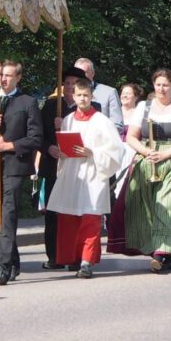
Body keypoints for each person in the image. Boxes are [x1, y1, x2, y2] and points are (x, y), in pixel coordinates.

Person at [45, 79, 125, 278]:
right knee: (70, 218)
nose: (82, 99)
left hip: (93, 174)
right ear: (73, 96)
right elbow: (65, 144)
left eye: (86, 95)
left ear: (92, 97)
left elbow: (115, 150)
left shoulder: (102, 121)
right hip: (72, 174)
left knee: (90, 218)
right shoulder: (68, 120)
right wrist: (62, 153)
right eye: (78, 95)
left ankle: (87, 262)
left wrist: (92, 152)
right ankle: (73, 258)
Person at [0, 60, 42, 285]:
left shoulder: (27, 102)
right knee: (0, 216)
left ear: (18, 77)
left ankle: (2, 266)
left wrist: (9, 146)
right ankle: (14, 262)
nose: (4, 79)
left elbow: (35, 138)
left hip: (15, 165)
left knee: (9, 212)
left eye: (9, 75)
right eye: (1, 75)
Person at [123, 69, 171, 273]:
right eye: (158, 85)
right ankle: (165, 254)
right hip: (147, 159)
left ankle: (161, 253)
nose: (162, 89)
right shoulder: (143, 107)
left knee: (167, 204)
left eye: (166, 85)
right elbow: (131, 136)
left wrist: (166, 154)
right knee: (146, 206)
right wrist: (146, 152)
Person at [37, 66, 99, 270]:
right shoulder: (50, 106)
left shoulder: (93, 108)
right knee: (53, 212)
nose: (70, 87)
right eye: (67, 84)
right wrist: (49, 148)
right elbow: (38, 136)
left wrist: (64, 123)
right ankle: (54, 256)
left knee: (77, 213)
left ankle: (76, 255)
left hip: (81, 169)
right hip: (54, 166)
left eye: (74, 84)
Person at [74, 58, 123, 131]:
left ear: (93, 73)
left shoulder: (109, 92)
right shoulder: (69, 92)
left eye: (84, 72)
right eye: (77, 72)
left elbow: (117, 124)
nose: (81, 76)